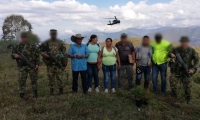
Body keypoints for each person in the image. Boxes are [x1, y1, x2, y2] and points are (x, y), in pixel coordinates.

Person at [169, 37, 199, 104]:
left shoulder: (191, 51)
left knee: (188, 86)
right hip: (176, 71)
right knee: (172, 81)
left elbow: (196, 60)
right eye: (183, 42)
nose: (184, 43)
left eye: (185, 42)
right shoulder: (176, 49)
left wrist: (193, 69)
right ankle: (175, 97)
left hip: (186, 71)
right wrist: (171, 54)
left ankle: (188, 99)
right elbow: (169, 52)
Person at [11, 32, 40, 98]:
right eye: (23, 37)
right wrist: (15, 55)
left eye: (25, 37)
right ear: (21, 38)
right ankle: (21, 94)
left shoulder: (33, 46)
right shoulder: (18, 46)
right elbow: (12, 55)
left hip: (31, 65)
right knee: (21, 80)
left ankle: (35, 94)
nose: (24, 39)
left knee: (34, 80)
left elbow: (37, 56)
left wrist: (37, 64)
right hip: (22, 66)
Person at [40, 29, 67, 95]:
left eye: (54, 34)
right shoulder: (46, 42)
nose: (53, 35)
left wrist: (64, 62)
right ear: (50, 34)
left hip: (58, 63)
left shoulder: (60, 42)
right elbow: (40, 50)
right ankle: (51, 91)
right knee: (50, 77)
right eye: (52, 34)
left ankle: (61, 91)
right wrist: (44, 54)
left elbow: (64, 53)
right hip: (50, 64)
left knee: (59, 78)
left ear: (56, 34)